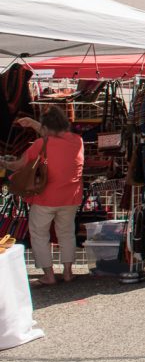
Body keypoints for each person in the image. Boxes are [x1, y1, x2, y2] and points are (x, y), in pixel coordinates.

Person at [11, 107, 83, 285]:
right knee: (66, 234)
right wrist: (34, 124)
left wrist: (3, 161)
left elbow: (19, 165)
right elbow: (54, 137)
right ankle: (67, 272)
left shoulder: (40, 144)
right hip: (71, 197)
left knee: (39, 234)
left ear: (46, 127)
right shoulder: (77, 141)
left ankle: (49, 275)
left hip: (45, 198)